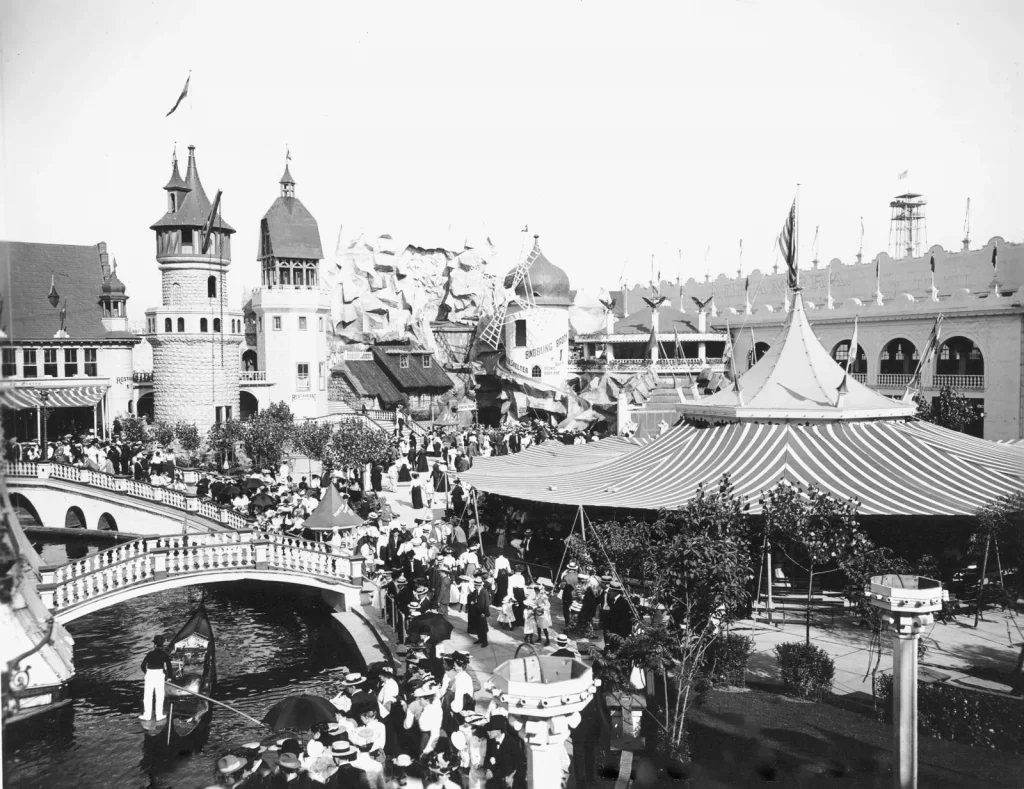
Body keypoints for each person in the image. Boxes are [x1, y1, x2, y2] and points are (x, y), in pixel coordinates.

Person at [139, 634, 173, 721]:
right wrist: (169, 677)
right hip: (159, 675)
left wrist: (147, 673)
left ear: (154, 645)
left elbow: (142, 666)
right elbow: (169, 667)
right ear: (162, 645)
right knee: (159, 696)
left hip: (149, 675)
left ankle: (147, 716)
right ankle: (159, 716)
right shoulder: (164, 655)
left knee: (147, 696)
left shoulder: (150, 654)